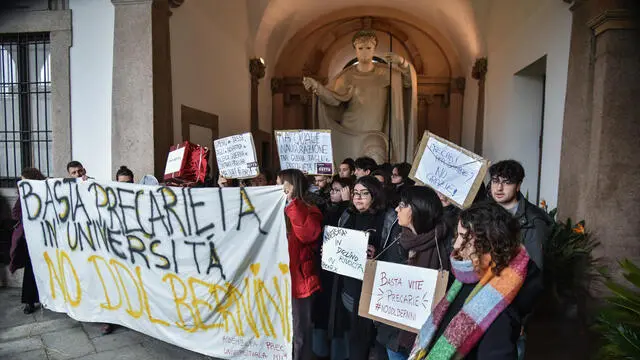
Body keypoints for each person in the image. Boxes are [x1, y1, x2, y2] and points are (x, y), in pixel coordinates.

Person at [408, 202, 543, 360]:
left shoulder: (498, 307)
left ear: (489, 242)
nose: (457, 245)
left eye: (464, 237)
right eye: (457, 235)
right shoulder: (467, 276)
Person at [377, 186, 451, 360]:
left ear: (418, 209)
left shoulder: (447, 244)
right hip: (394, 332)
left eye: (402, 205)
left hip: (426, 337)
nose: (397, 209)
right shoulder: (397, 238)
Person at [335, 176, 391, 360]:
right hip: (350, 289)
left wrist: (377, 253)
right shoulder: (348, 215)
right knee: (354, 336)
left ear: (375, 195)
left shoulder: (387, 218)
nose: (358, 198)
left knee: (373, 340)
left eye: (364, 194)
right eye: (355, 193)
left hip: (374, 290)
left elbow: (394, 254)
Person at [277, 169, 323, 360]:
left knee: (299, 334)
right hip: (277, 280)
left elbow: (308, 234)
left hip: (299, 282)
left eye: (281, 184)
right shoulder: (275, 208)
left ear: (292, 186)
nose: (277, 187)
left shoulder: (310, 209)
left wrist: (292, 204)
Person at [312, 175, 353, 360]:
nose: (333, 193)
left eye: (338, 190)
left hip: (343, 272)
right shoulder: (325, 207)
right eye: (333, 190)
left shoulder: (348, 211)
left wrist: (346, 205)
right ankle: (320, 352)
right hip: (325, 269)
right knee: (323, 309)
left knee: (339, 316)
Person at [488, 160, 550, 269]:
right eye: (495, 181)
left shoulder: (533, 221)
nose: (499, 188)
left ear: (518, 185)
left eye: (507, 182)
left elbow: (535, 269)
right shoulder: (485, 212)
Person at [10, 167, 45, 314]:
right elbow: (15, 213)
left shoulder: (45, 191)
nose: (21, 183)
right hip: (30, 239)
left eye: (24, 180)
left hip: (45, 238)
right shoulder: (23, 196)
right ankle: (29, 301)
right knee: (31, 269)